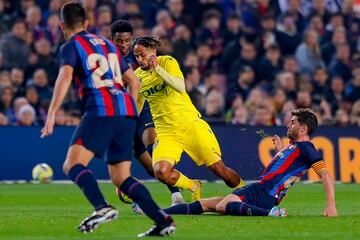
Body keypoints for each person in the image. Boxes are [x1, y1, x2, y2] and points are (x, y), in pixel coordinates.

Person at [40, 2, 175, 237]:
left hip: (100, 109)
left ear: (62, 26)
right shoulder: (106, 46)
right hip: (125, 112)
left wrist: (52, 112)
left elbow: (65, 76)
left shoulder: (71, 46)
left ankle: (102, 208)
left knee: (72, 165)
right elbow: (134, 81)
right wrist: (131, 111)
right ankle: (163, 220)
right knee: (121, 177)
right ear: (86, 23)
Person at [163, 108, 338, 218]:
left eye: (293, 122)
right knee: (205, 204)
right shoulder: (294, 148)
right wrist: (280, 150)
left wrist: (330, 204)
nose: (288, 125)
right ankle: (158, 212)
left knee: (223, 206)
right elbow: (286, 170)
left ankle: (270, 214)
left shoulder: (306, 147)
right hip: (262, 190)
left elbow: (325, 174)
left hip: (264, 192)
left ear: (303, 129)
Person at [133, 36, 246, 201]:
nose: (139, 60)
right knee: (161, 172)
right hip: (166, 132)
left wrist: (158, 69)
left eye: (142, 55)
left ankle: (245, 190)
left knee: (220, 171)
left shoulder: (168, 62)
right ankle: (193, 185)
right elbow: (138, 104)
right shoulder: (137, 76)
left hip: (190, 124)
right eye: (136, 56)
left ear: (153, 51)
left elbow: (180, 86)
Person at [110, 20, 184, 206]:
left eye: (127, 40)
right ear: (113, 40)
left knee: (152, 142)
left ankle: (176, 195)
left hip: (143, 110)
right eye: (120, 41)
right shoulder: (107, 60)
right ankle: (140, 200)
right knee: (151, 168)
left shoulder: (138, 56)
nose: (124, 45)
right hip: (123, 115)